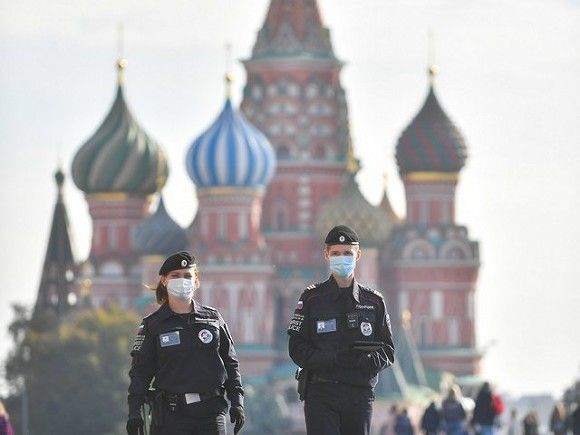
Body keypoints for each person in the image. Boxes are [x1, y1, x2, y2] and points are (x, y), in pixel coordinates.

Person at [287, 224, 395, 435]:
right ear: (326, 255)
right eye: (336, 253)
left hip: (359, 393)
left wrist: (366, 361)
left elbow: (388, 350)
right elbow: (296, 347)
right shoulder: (311, 298)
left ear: (358, 255)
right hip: (321, 392)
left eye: (347, 253)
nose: (342, 258)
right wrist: (331, 359)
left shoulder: (373, 301)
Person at [127, 251, 244, 435]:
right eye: (175, 276)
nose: (182, 280)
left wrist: (237, 402)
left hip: (210, 414)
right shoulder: (153, 325)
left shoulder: (212, 319)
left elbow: (230, 364)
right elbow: (140, 372)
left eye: (187, 276)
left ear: (196, 281)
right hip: (171, 417)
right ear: (164, 280)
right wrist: (134, 411)